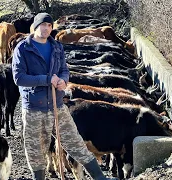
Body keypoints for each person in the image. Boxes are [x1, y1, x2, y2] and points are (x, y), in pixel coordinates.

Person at [11, 12, 117, 180]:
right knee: (36, 150)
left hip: (57, 104)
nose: (46, 28)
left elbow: (64, 70)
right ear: (35, 27)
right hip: (34, 107)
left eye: (49, 25)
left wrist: (63, 80)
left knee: (75, 142)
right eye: (42, 25)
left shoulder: (56, 47)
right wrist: (46, 79)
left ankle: (100, 178)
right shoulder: (23, 48)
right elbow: (19, 78)